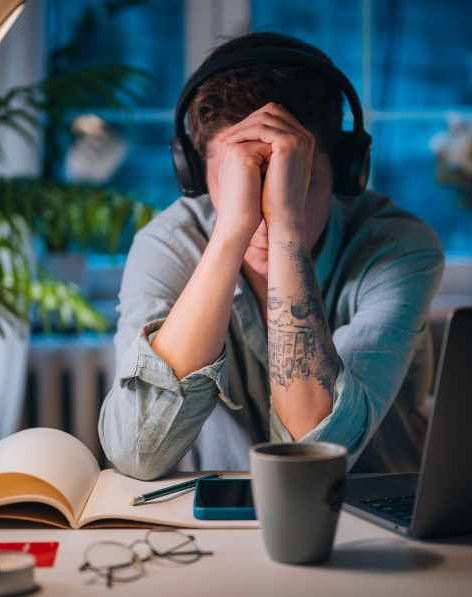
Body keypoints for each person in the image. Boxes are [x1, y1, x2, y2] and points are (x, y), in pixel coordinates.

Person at [99, 32, 444, 480]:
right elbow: (136, 452)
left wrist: (288, 226)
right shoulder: (167, 243)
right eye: (238, 178)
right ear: (195, 174)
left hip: (370, 527)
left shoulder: (400, 250)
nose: (260, 216)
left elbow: (315, 459)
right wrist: (230, 235)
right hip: (217, 535)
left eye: (297, 181)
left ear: (344, 172)